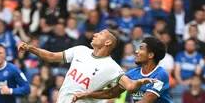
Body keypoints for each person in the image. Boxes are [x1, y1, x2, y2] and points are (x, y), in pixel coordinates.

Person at [18, 29, 155, 103]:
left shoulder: (111, 67)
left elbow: (130, 86)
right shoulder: (80, 50)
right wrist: (31, 48)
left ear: (107, 42)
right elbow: (51, 57)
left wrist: (141, 82)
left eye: (100, 34)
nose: (95, 34)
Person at [72, 37, 171, 103]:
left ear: (150, 55)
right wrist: (87, 94)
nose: (136, 51)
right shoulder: (132, 74)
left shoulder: (160, 74)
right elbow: (112, 92)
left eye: (141, 48)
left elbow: (146, 100)